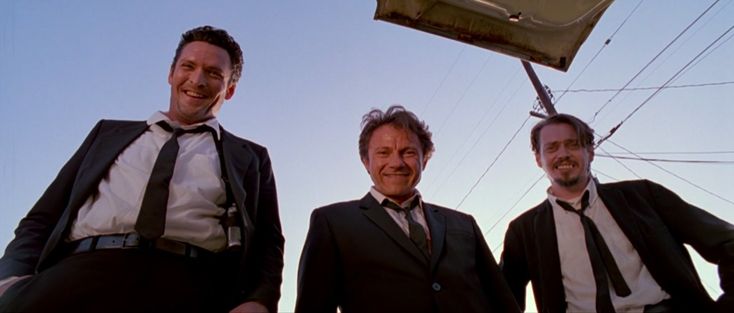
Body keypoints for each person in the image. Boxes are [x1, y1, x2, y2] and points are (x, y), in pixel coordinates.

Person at [0, 25, 284, 313]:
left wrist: (260, 300)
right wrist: (8, 280)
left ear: (230, 89)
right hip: (75, 277)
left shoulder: (251, 157)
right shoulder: (106, 134)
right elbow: (41, 218)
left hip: (190, 286)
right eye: (188, 66)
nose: (197, 80)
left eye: (213, 73)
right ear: (171, 74)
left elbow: (269, 242)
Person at [295, 105, 519, 313]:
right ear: (365, 161)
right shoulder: (332, 222)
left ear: (425, 159)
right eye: (383, 152)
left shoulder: (464, 223)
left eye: (408, 152)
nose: (396, 163)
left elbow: (503, 302)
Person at [500, 113, 734, 313]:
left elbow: (726, 240)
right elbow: (498, 297)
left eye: (573, 144)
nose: (563, 154)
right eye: (551, 148)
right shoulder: (523, 231)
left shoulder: (643, 196)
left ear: (590, 151)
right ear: (538, 159)